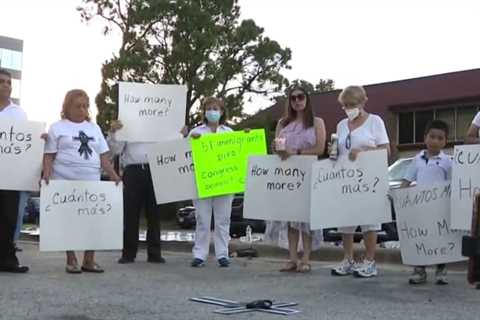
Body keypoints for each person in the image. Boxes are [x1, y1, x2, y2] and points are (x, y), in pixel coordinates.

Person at [43, 89, 121, 274]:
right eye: (77, 106)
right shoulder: (57, 128)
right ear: (67, 107)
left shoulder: (94, 129)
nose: (82, 110)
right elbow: (49, 155)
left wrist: (113, 175)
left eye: (85, 106)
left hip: (91, 180)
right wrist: (46, 174)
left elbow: (103, 156)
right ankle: (71, 258)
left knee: (91, 221)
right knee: (69, 221)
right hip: (64, 179)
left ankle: (89, 259)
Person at [264, 86, 326, 273]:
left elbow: (320, 148)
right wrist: (279, 150)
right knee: (290, 218)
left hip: (308, 172)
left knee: (305, 218)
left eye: (300, 97)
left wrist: (296, 152)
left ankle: (306, 258)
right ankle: (292, 258)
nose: (297, 101)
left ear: (307, 99)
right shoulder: (283, 123)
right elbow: (276, 148)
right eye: (293, 98)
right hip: (287, 175)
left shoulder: (316, 122)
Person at [330, 85, 390, 278]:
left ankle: (370, 260)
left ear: (363, 102)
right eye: (345, 105)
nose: (349, 108)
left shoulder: (375, 122)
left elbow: (386, 151)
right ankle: (348, 258)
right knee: (345, 220)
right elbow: (337, 150)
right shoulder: (341, 125)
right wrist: (332, 152)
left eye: (352, 104)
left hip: (368, 178)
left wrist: (363, 153)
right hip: (345, 178)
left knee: (369, 221)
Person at [188, 97, 238, 268]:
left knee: (223, 220)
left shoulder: (229, 133)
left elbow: (239, 153)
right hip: (202, 183)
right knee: (202, 219)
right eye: (208, 108)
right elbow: (184, 156)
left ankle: (222, 254)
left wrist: (246, 137)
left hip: (225, 182)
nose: (212, 111)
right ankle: (199, 254)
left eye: (215, 108)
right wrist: (189, 141)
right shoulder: (196, 132)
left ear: (222, 112)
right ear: (204, 112)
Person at [107, 120, 166, 264]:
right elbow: (115, 150)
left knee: (154, 213)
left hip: (156, 169)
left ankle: (155, 253)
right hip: (133, 170)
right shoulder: (127, 124)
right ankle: (128, 253)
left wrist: (180, 134)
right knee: (130, 213)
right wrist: (114, 133)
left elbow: (172, 145)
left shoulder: (163, 123)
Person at [400, 120, 451, 285]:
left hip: (440, 209)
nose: (435, 141)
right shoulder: (417, 159)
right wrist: (398, 196)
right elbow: (407, 180)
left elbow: (453, 184)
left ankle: (441, 271)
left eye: (440, 138)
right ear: (425, 138)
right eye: (432, 136)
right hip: (420, 209)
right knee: (420, 239)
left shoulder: (448, 162)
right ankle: (419, 271)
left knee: (440, 239)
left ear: (445, 141)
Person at [0, 69, 29, 273]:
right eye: (2, 81)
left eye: (9, 82)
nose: (6, 85)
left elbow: (25, 139)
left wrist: (38, 139)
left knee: (9, 216)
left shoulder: (18, 113)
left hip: (10, 173)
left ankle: (8, 260)